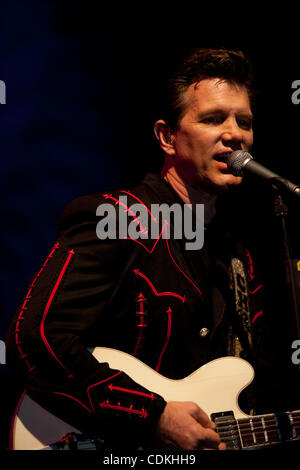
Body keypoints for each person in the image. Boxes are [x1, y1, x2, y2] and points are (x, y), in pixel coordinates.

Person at [5, 48, 297, 451]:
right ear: (166, 137)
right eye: (213, 119)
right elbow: (36, 339)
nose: (235, 134)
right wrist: (150, 415)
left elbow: (257, 386)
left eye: (243, 121)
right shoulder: (119, 219)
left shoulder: (238, 258)